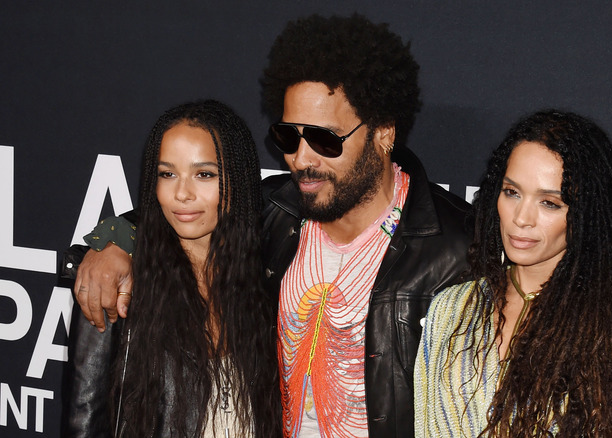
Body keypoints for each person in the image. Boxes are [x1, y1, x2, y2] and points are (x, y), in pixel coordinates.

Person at [67, 14, 472, 438]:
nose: (301, 158)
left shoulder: (457, 249)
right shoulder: (278, 210)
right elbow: (186, 210)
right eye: (288, 137)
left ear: (384, 134)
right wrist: (114, 240)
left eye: (325, 139)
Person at [414, 110, 612, 437]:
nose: (522, 218)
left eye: (549, 203)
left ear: (584, 214)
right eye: (512, 192)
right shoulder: (451, 311)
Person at [65, 100, 280, 437]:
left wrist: (117, 231)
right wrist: (113, 238)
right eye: (167, 174)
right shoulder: (118, 286)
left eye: (204, 174)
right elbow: (85, 421)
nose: (181, 193)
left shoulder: (267, 272)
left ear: (237, 180)